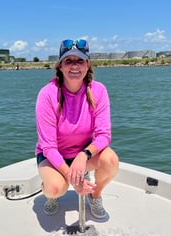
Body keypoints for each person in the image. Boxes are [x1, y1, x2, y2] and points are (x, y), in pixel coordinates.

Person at [35, 39, 119, 218]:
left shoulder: (99, 91)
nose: (75, 66)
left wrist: (84, 155)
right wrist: (71, 176)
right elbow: (48, 146)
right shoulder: (47, 94)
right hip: (53, 156)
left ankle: (95, 195)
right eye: (68, 61)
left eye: (80, 60)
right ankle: (49, 191)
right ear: (60, 66)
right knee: (56, 188)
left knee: (111, 161)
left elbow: (104, 135)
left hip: (83, 154)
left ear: (87, 65)